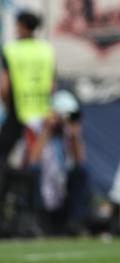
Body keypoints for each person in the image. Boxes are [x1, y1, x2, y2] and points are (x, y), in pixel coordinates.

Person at [26, 90, 91, 235]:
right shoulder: (36, 127)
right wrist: (46, 130)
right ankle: (37, 222)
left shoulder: (67, 133)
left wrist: (75, 137)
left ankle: (76, 222)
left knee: (81, 173)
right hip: (41, 190)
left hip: (61, 190)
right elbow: (32, 161)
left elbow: (79, 162)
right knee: (34, 172)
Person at [0, 10, 55, 164]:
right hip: (41, 113)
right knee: (37, 160)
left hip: (18, 111)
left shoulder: (11, 50)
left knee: (3, 156)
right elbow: (52, 84)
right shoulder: (46, 49)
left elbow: (4, 85)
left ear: (22, 26)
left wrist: (7, 105)